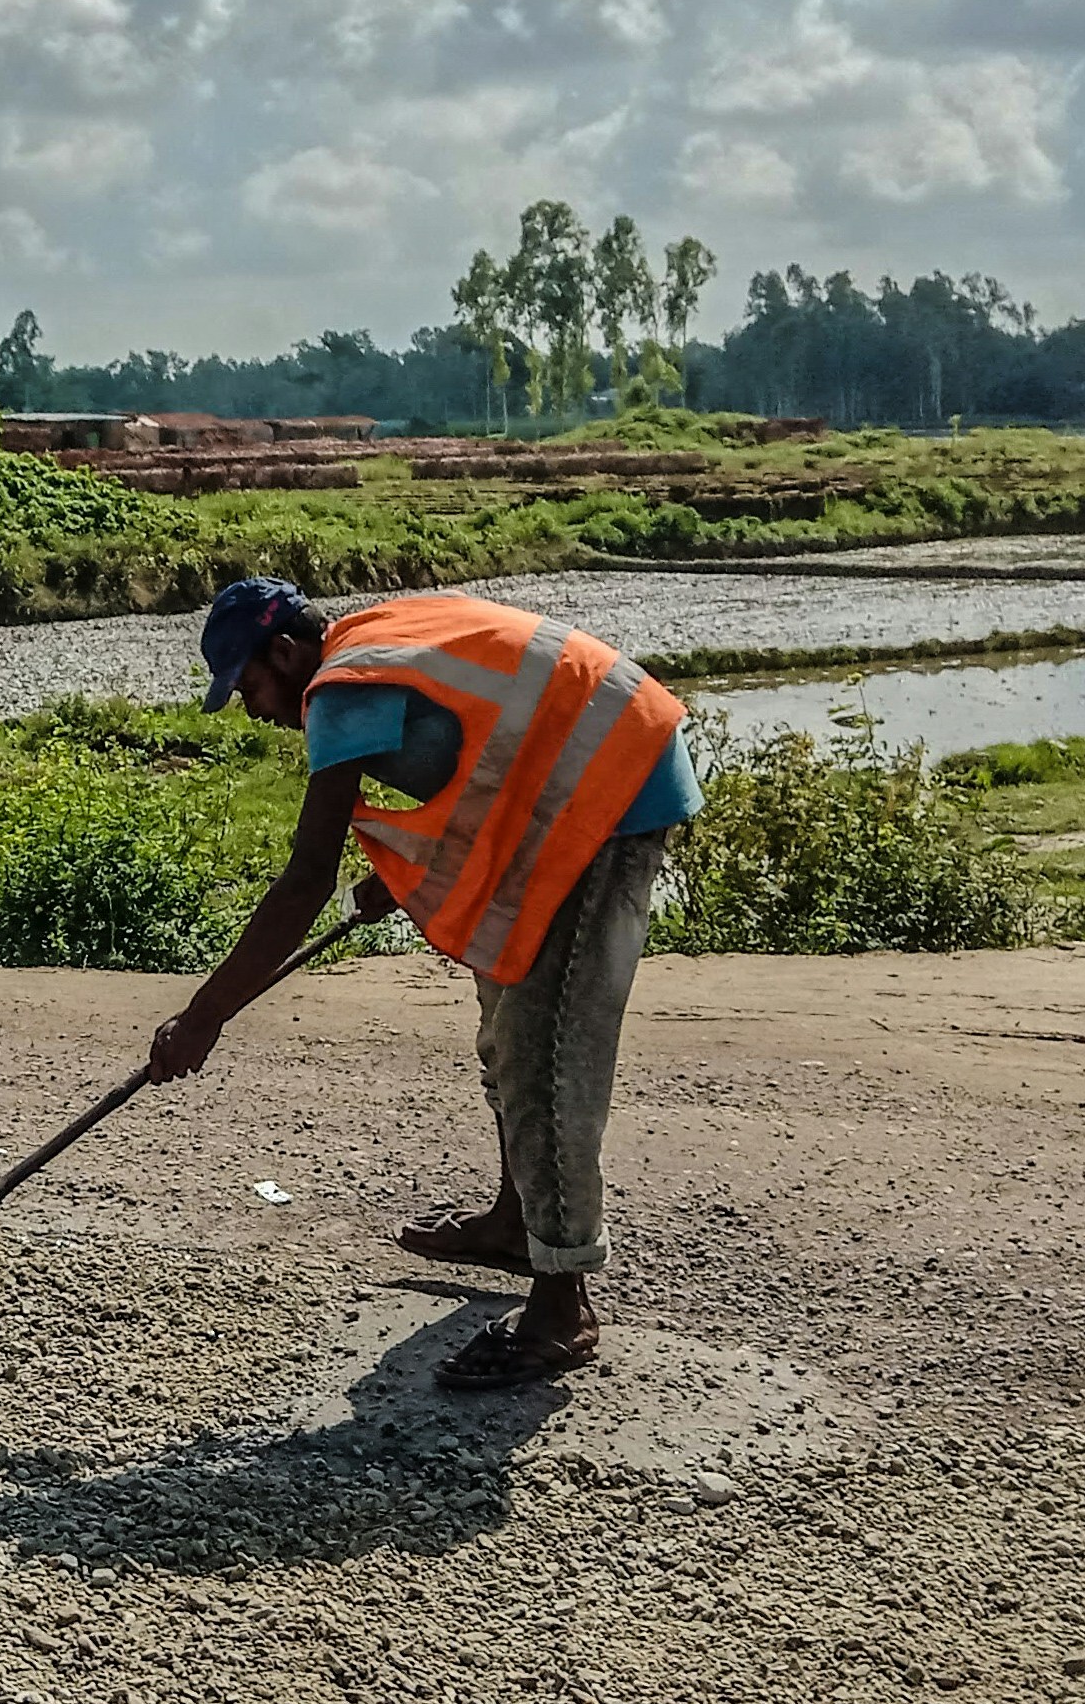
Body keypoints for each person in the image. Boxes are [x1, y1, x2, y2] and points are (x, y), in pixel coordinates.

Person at [146, 576, 700, 1388]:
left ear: (286, 652)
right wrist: (404, 878)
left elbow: (303, 881)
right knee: (500, 1008)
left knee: (540, 1050)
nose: (251, 708)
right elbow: (478, 751)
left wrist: (203, 1016)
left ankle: (561, 1304)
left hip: (610, 791)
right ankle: (517, 1221)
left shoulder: (340, 690)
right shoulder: (370, 635)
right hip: (566, 783)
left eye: (251, 687)